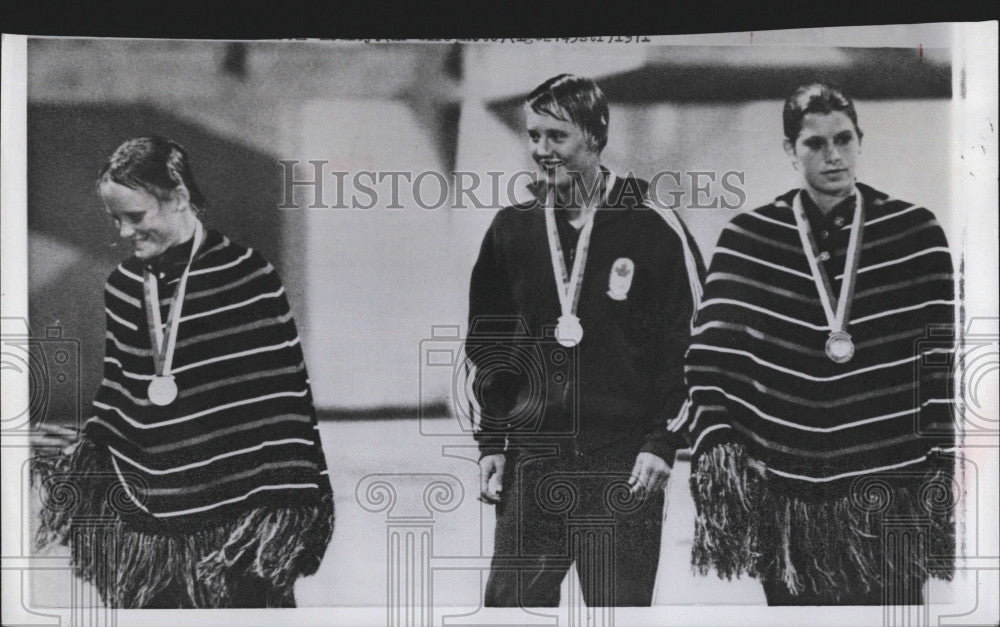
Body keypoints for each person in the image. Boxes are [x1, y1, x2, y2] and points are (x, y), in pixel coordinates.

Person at [33, 136, 335, 608]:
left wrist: (290, 496)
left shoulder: (248, 274)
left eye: (136, 216)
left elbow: (283, 396)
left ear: (177, 197)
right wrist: (82, 456)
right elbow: (121, 387)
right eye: (116, 219)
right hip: (153, 511)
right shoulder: (124, 286)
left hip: (240, 512)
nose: (125, 231)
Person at [685, 82, 956, 605]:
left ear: (860, 140)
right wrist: (726, 451)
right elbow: (708, 363)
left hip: (891, 498)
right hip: (788, 505)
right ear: (790, 149)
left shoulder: (915, 234)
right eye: (814, 143)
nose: (833, 155)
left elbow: (941, 361)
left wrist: (941, 464)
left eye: (844, 139)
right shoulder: (749, 239)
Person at [467, 74, 705, 607]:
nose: (542, 151)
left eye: (557, 136)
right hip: (534, 461)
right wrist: (492, 442)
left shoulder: (653, 224)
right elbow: (490, 346)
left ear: (596, 135)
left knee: (616, 614)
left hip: (622, 467)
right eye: (534, 136)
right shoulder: (513, 228)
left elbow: (691, 344)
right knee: (511, 611)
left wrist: (663, 442)